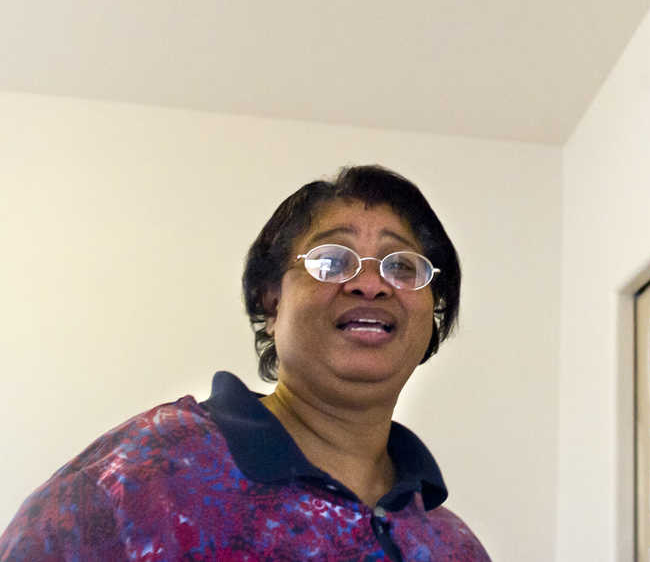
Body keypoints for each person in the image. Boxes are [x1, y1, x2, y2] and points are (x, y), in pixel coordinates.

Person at [0, 165, 491, 561]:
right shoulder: (144, 476)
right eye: (332, 260)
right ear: (272, 302)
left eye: (401, 265)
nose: (370, 284)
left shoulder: (451, 545)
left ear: (433, 312)